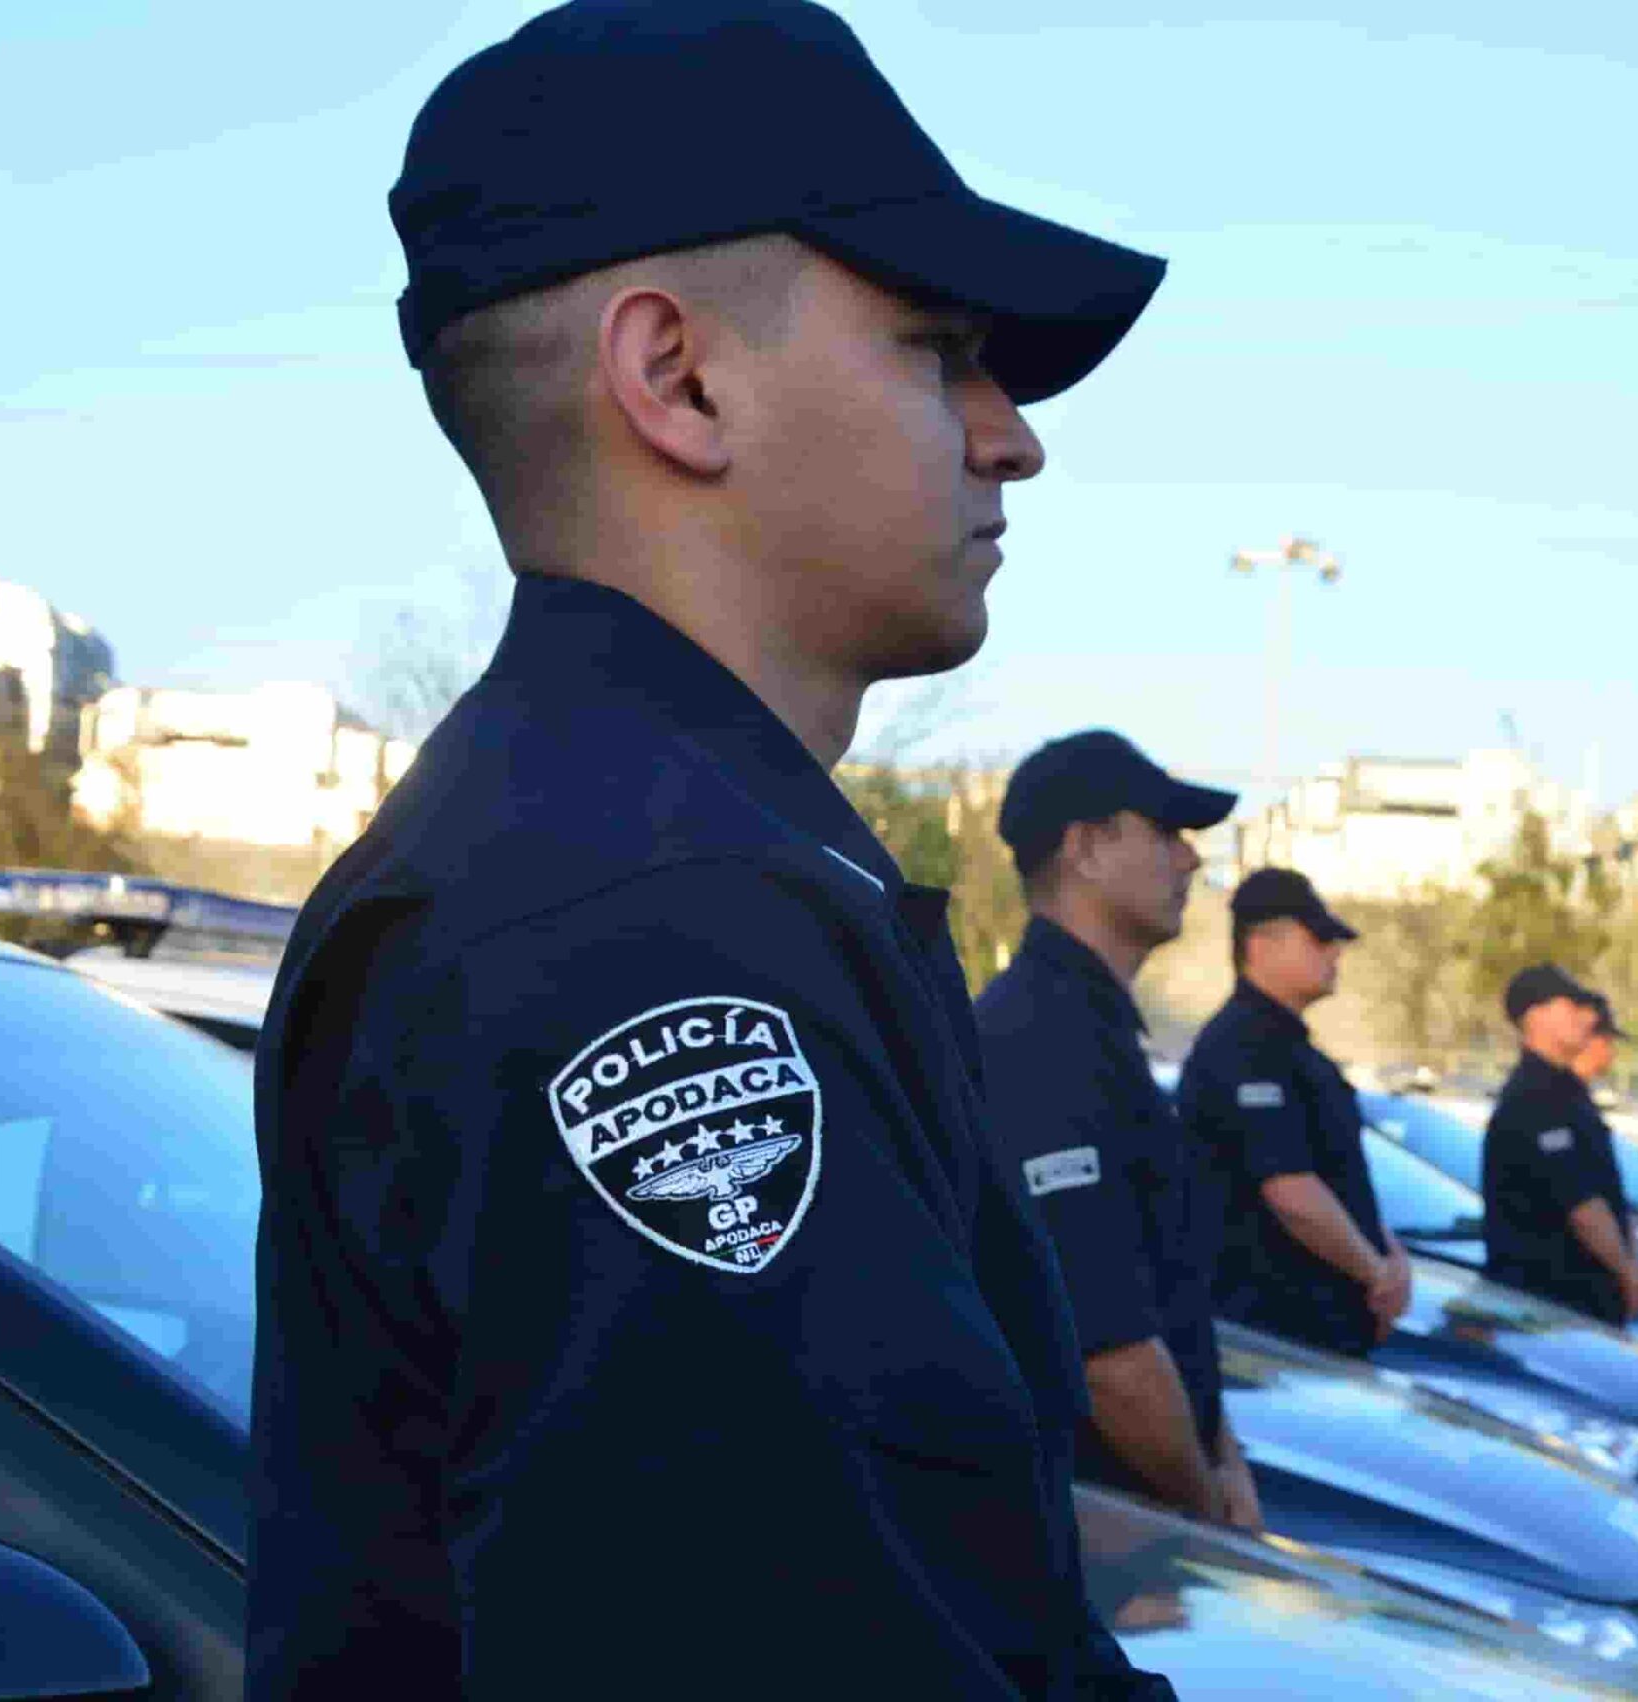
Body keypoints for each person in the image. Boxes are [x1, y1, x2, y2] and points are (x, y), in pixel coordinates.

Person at [246, 6, 1173, 1697]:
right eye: (935, 348)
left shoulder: (624, 850)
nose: (1009, 432)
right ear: (675, 377)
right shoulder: (650, 918)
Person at [973, 731, 1263, 1531]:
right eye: (1167, 832)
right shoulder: (1038, 1040)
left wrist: (1222, 1450)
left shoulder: (1091, 1034)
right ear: (1088, 848)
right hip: (1103, 1546)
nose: (1191, 860)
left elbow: (1164, 1302)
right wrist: (1208, 1522)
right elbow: (1111, 1359)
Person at [1176, 869, 1408, 1359]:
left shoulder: (1291, 1049)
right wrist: (1377, 1273)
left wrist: (1389, 1251)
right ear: (1260, 945)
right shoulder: (1241, 1047)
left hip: (1320, 1336)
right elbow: (1291, 1195)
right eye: (1319, 939)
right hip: (1277, 1339)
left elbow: (1337, 1177)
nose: (1334, 952)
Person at [1482, 966, 1638, 1325]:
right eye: (1573, 1007)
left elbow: (1606, 1193)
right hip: (1546, 1308)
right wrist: (1628, 1270)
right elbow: (1581, 1205)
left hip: (1581, 1303)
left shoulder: (1567, 1092)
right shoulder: (1534, 1096)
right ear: (1536, 1015)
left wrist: (1631, 1260)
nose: (1588, 1018)